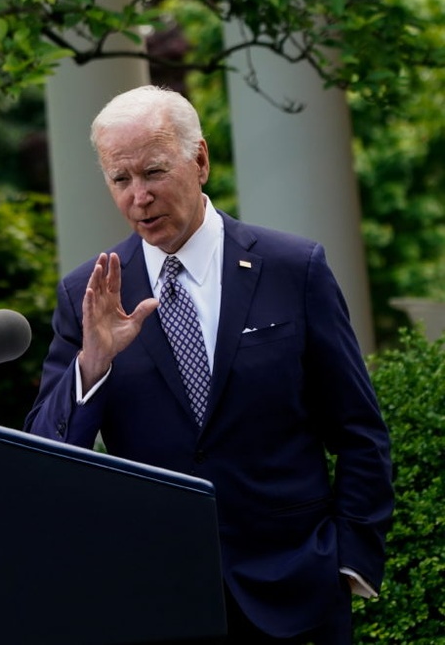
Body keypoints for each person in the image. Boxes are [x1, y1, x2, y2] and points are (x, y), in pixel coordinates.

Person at [24, 85, 393, 644]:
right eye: (120, 180)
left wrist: (347, 563)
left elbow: (360, 431)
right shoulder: (89, 294)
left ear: (200, 160)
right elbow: (45, 457)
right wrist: (93, 362)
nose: (139, 198)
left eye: (152, 172)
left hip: (297, 592)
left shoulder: (294, 268)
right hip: (158, 600)